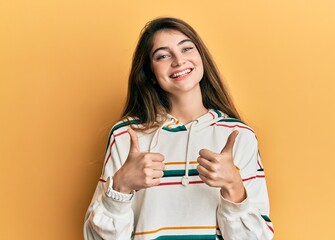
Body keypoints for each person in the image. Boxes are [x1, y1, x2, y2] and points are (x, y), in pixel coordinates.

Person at [84, 17, 274, 240]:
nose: (178, 60)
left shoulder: (239, 136)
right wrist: (121, 189)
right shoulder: (126, 136)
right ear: (150, 74)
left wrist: (234, 188)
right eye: (163, 55)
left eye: (186, 48)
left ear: (201, 58)